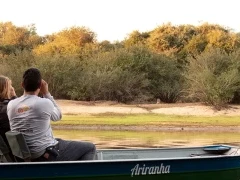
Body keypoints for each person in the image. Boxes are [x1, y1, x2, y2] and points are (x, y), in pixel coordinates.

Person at [7, 68, 96, 161]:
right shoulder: (44, 103)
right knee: (90, 148)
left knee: (58, 140)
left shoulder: (12, 104)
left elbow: (25, 110)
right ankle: (83, 174)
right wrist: (46, 93)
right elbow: (58, 116)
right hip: (44, 154)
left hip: (23, 154)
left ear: (22, 85)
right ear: (40, 86)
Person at [0, 75, 17, 147]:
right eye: (10, 86)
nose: (12, 88)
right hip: (11, 147)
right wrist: (14, 96)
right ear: (4, 89)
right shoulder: (6, 108)